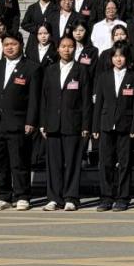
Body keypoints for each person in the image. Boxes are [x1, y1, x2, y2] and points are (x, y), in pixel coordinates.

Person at [0, 31, 40, 211]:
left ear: (21, 45)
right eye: (6, 45)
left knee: (19, 161)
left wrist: (31, 121)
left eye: (13, 44)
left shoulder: (31, 68)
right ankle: (3, 196)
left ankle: (22, 196)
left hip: (18, 122)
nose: (10, 47)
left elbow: (34, 99)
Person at [40, 35, 92, 211]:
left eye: (70, 46)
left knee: (72, 162)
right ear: (58, 49)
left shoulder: (81, 70)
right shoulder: (50, 70)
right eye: (63, 46)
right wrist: (43, 123)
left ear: (75, 49)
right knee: (53, 163)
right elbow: (44, 98)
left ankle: (71, 197)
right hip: (53, 124)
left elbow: (86, 100)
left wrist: (86, 125)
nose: (66, 49)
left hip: (73, 124)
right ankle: (54, 198)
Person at [92, 43, 134, 211]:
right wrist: (95, 127)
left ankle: (123, 197)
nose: (118, 59)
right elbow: (99, 104)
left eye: (121, 55)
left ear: (127, 58)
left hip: (125, 126)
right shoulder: (104, 77)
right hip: (106, 125)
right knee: (105, 163)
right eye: (115, 56)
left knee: (124, 163)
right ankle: (106, 197)